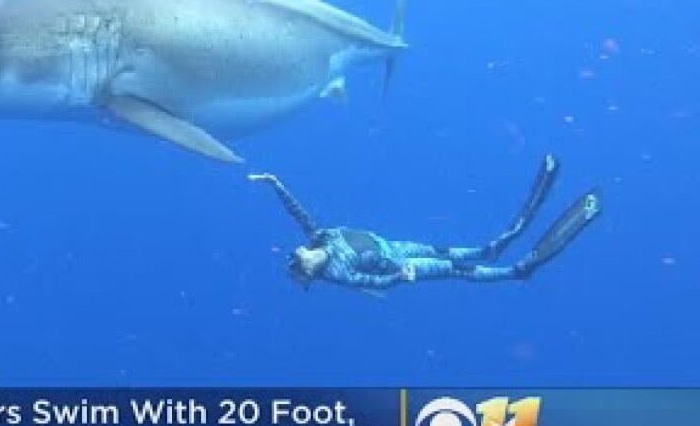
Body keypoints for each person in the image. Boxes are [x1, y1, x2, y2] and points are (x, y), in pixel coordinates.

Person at [249, 154, 601, 291]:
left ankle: (509, 237)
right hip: (403, 263)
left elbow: (296, 211)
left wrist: (274, 183)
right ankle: (518, 270)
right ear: (311, 271)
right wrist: (400, 276)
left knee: (478, 250)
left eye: (299, 259)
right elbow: (372, 282)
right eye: (303, 268)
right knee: (458, 269)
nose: (302, 257)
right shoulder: (337, 272)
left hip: (398, 245)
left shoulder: (317, 237)